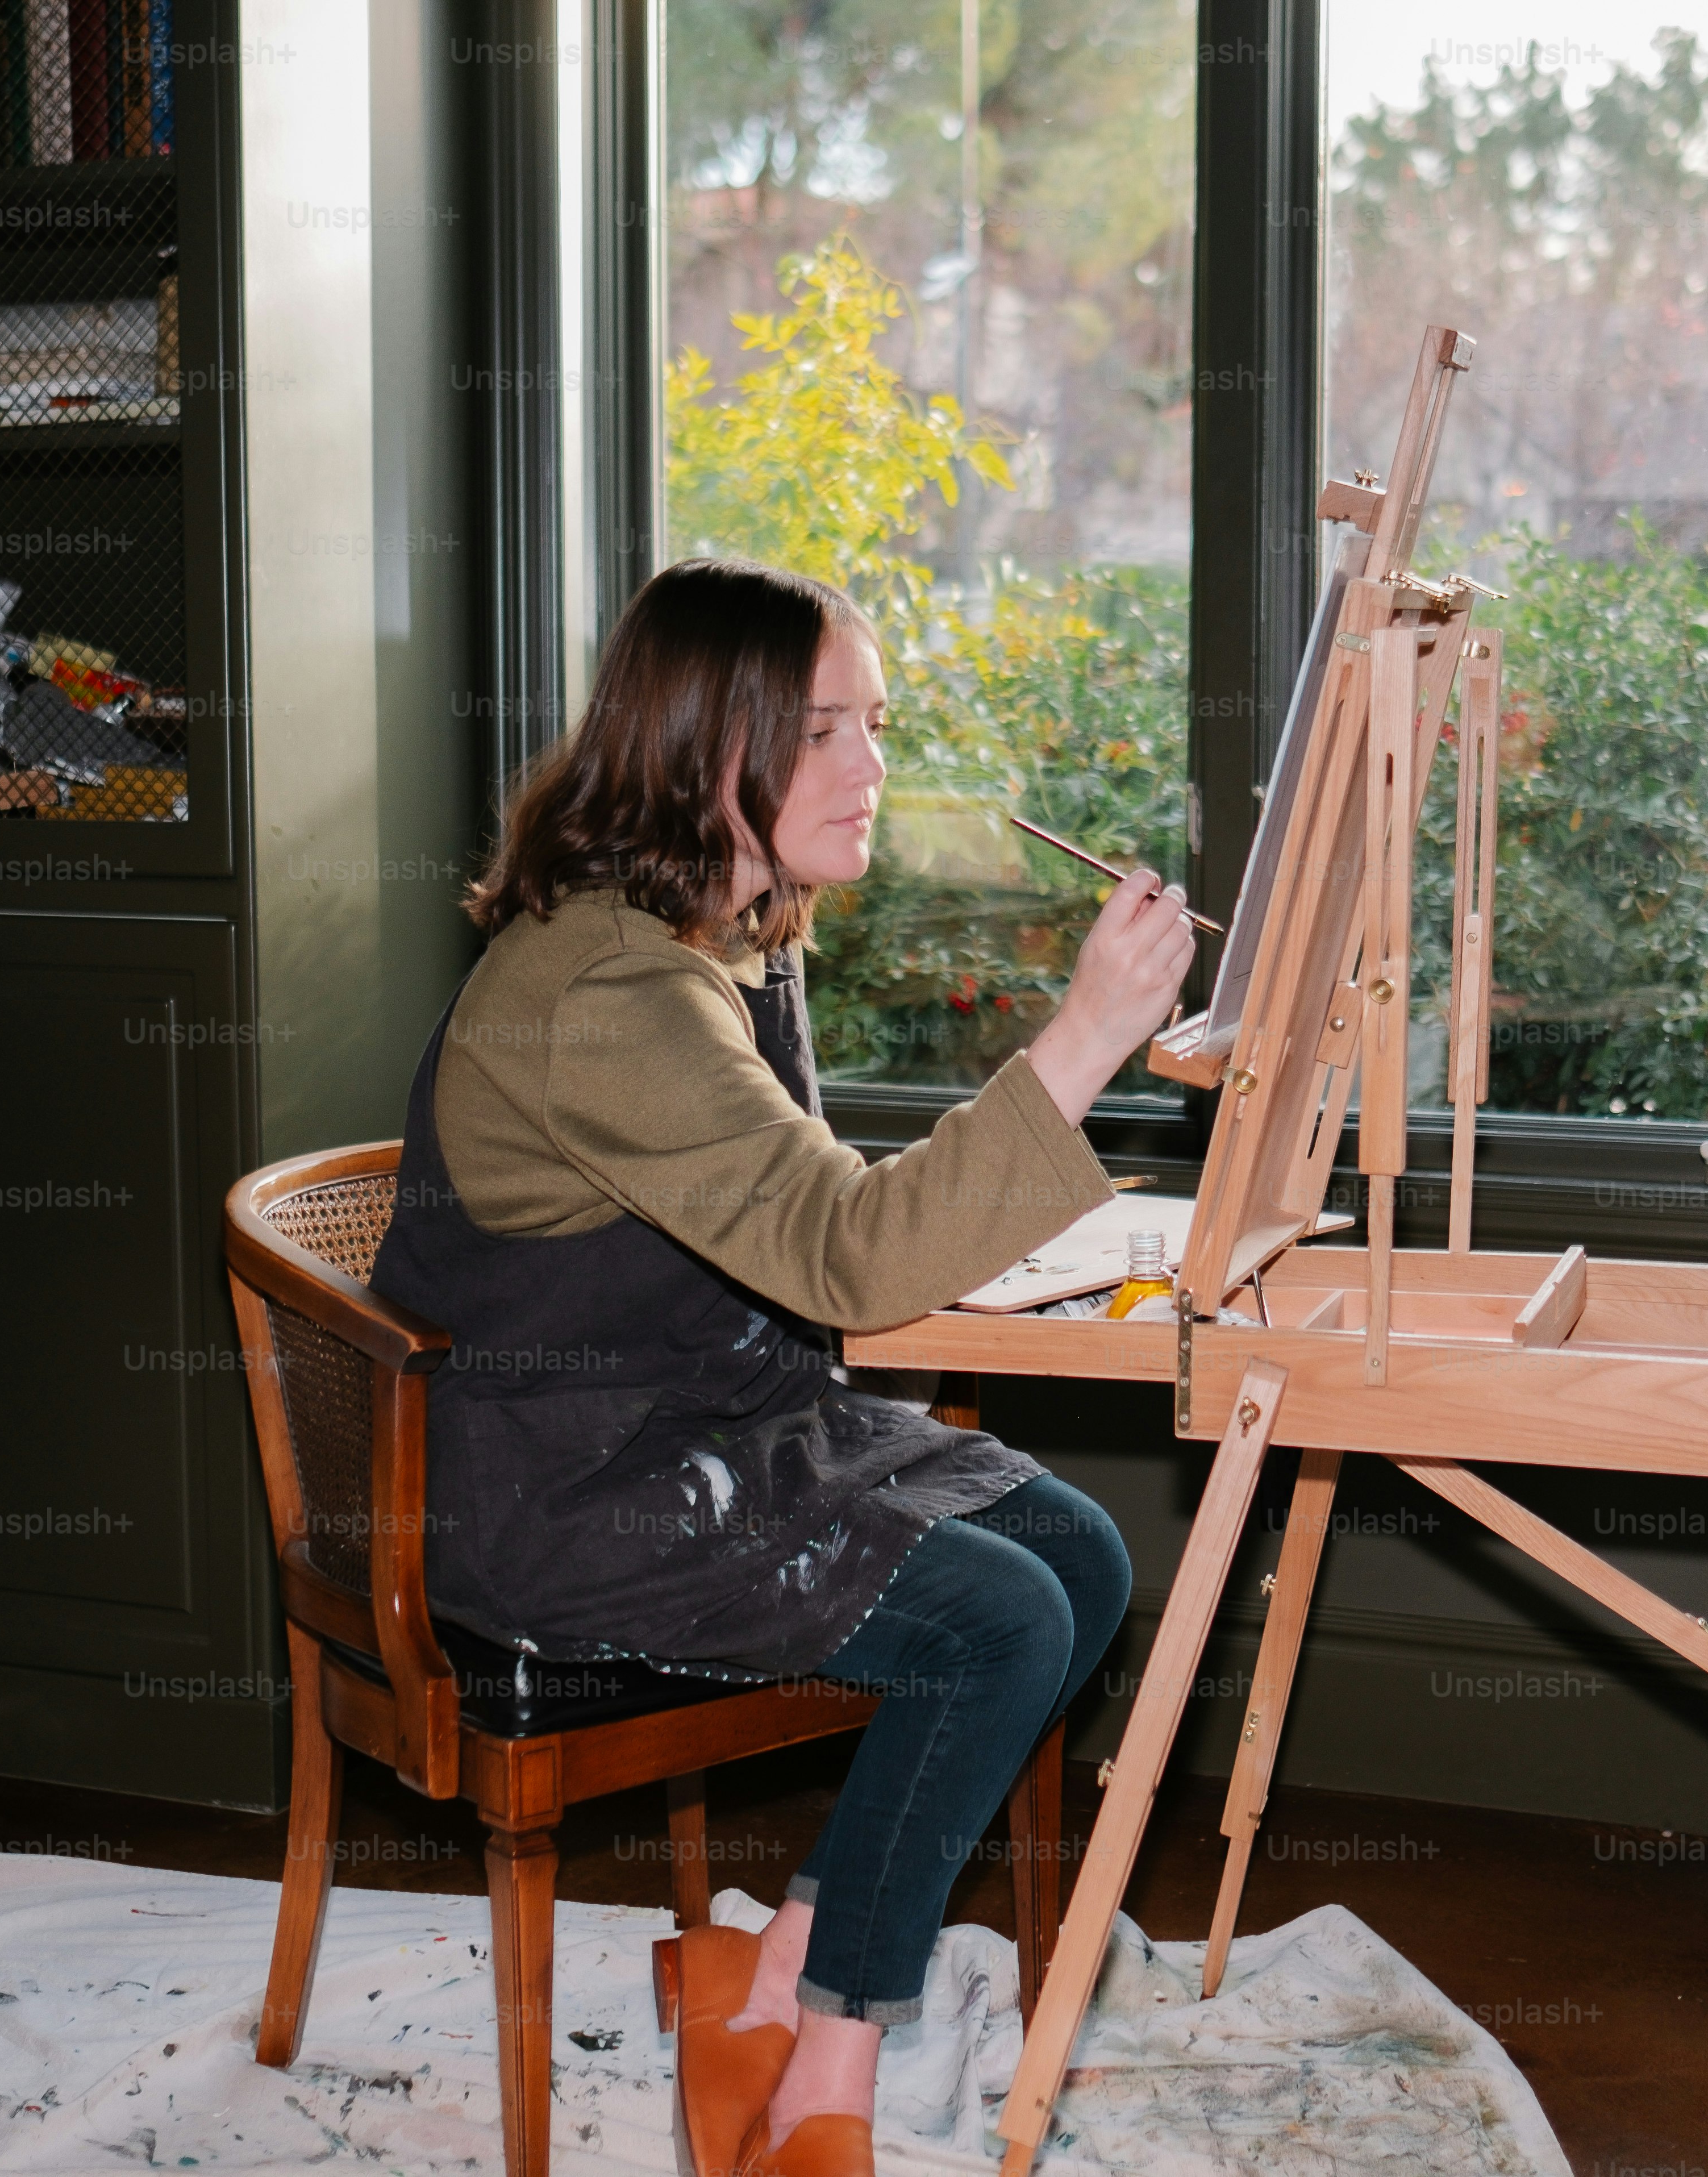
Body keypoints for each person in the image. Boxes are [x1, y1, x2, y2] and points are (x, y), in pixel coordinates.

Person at [366, 558, 1195, 2177]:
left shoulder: (716, 936)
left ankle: (773, 1963)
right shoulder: (608, 988)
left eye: (875, 726)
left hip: (713, 1428)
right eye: (825, 732)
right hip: (571, 1491)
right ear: (702, 749)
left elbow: (800, 1220)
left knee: (1075, 1555)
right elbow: (848, 1256)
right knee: (996, 1623)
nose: (871, 765)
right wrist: (1085, 1036)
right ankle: (825, 2073)